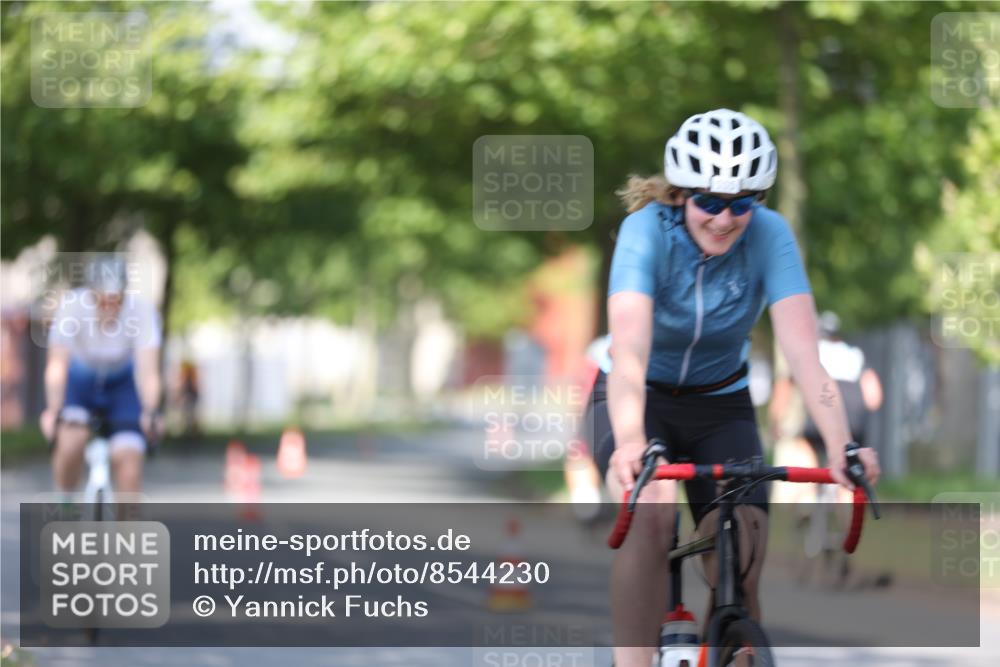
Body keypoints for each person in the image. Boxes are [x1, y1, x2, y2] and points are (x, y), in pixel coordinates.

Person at [585, 108, 880, 666]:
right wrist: (629, 441)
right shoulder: (644, 231)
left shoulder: (770, 236)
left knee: (741, 551)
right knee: (650, 518)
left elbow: (806, 360)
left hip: (722, 403)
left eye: (742, 204)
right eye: (710, 202)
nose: (725, 219)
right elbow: (628, 355)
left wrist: (843, 444)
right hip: (636, 398)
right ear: (679, 193)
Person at [40, 255, 163, 499]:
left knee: (128, 462)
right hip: (80, 382)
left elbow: (148, 371)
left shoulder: (141, 311)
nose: (108, 306)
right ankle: (65, 504)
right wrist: (53, 411)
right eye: (101, 299)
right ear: (91, 294)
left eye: (115, 299)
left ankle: (126, 533)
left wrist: (150, 411)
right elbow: (57, 365)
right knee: (70, 443)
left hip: (122, 386)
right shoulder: (72, 306)